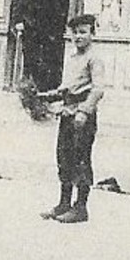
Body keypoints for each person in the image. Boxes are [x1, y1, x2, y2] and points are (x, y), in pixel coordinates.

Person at [39, 14, 106, 223]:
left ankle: (81, 207)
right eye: (75, 32)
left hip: (82, 117)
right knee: (63, 158)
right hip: (68, 114)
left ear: (92, 34)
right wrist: (52, 95)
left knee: (81, 160)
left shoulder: (94, 58)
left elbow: (98, 89)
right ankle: (64, 203)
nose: (78, 36)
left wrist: (84, 111)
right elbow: (68, 87)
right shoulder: (72, 57)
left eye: (83, 32)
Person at [10, 0, 68, 119]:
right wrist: (18, 20)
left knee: (49, 62)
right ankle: (30, 101)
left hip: (50, 27)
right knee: (32, 62)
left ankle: (45, 99)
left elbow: (60, 0)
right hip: (31, 25)